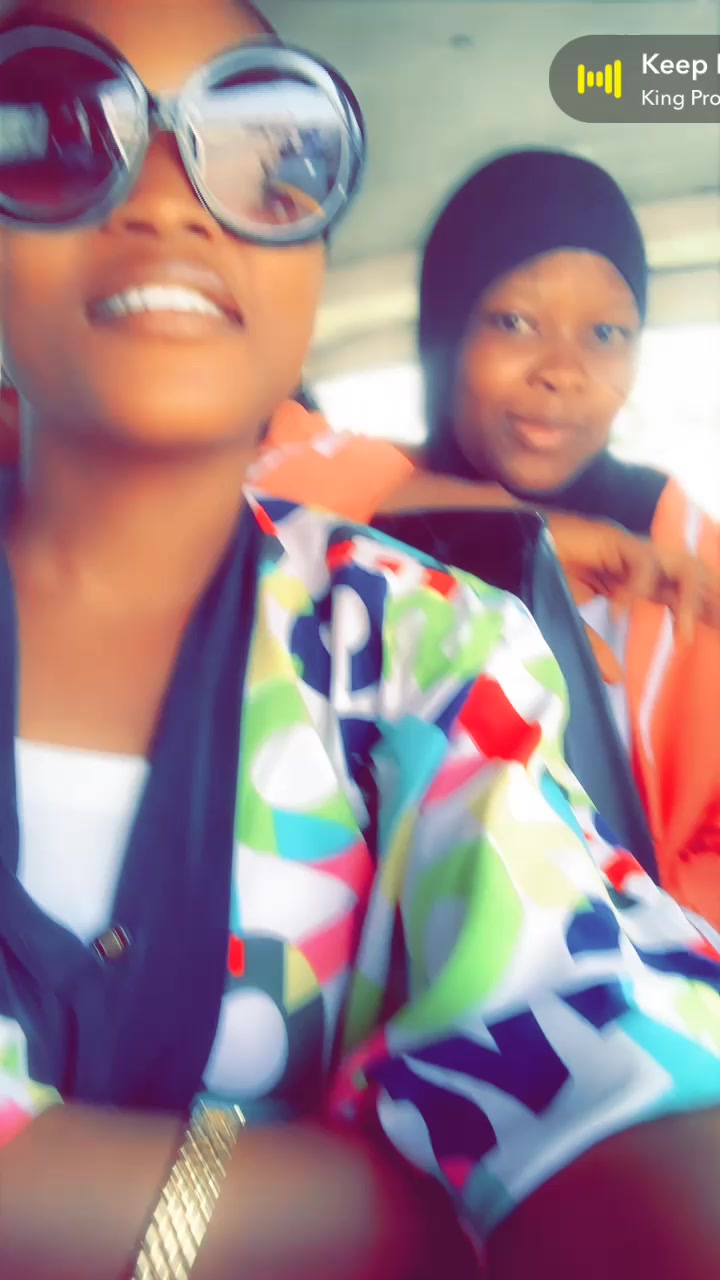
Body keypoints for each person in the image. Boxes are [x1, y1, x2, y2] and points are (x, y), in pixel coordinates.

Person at [3, 6, 720, 1280]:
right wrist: (416, 1210)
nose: (166, 200)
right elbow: (310, 456)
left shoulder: (438, 642)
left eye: (264, 149)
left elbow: (615, 1039)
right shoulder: (378, 502)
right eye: (55, 134)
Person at [252, 151, 720, 927]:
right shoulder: (352, 486)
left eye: (606, 333)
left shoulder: (676, 549)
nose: (563, 370)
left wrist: (656, 930)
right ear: (444, 332)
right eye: (514, 322)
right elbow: (251, 478)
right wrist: (481, 525)